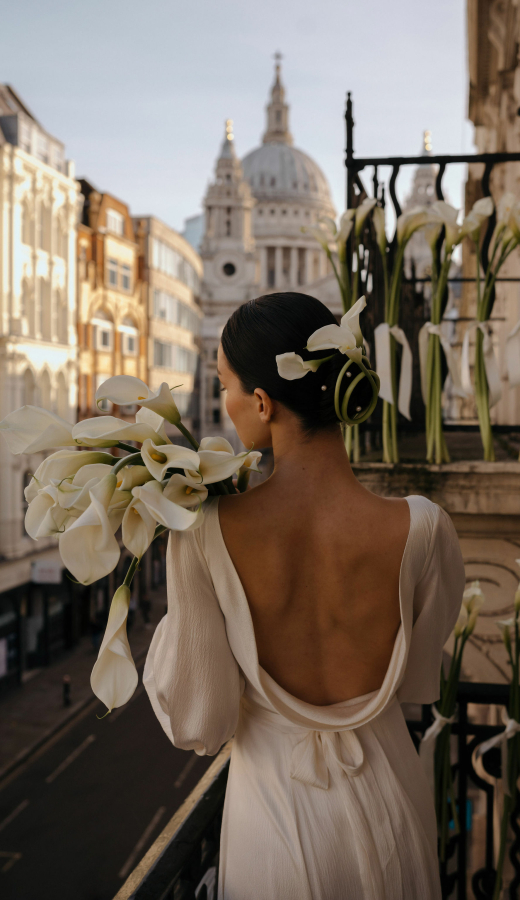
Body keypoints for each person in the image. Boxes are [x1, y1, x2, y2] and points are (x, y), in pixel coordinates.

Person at [144, 292, 465, 900]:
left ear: (261, 403)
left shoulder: (204, 532)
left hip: (276, 823)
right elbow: (419, 682)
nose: (222, 402)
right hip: (398, 803)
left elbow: (198, 722)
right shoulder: (424, 528)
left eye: (224, 385)